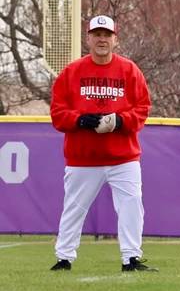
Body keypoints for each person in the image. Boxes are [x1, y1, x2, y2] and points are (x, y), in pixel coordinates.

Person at [49, 14, 156, 272]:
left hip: (123, 157)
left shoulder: (129, 71)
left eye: (106, 35)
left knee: (132, 206)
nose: (102, 39)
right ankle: (64, 258)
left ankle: (131, 258)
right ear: (88, 39)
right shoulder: (72, 72)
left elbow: (142, 109)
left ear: (114, 39)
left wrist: (120, 121)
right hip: (83, 158)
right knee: (74, 208)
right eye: (97, 34)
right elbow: (57, 113)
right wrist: (81, 120)